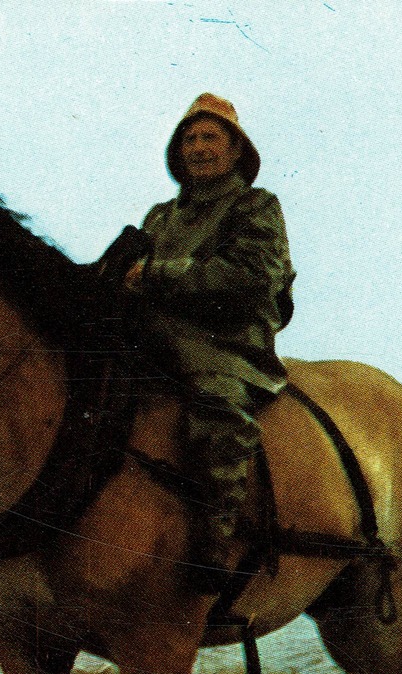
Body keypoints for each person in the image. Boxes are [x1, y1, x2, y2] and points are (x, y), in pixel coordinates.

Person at [120, 93, 295, 590]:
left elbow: (254, 274)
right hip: (156, 337)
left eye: (210, 137)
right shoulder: (158, 216)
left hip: (227, 342)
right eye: (189, 138)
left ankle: (215, 541)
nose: (198, 147)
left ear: (236, 149)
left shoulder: (255, 206)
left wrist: (156, 274)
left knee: (217, 406)